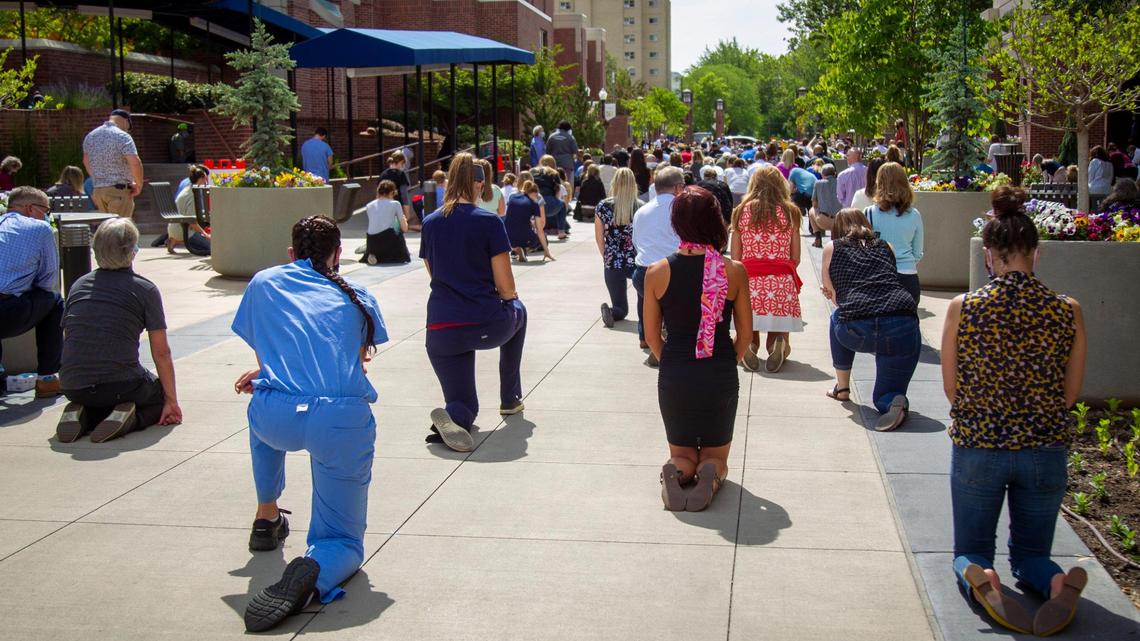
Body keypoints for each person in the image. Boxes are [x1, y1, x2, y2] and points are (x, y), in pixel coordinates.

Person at [940, 186, 1088, 637]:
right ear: (1035, 254)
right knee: (1031, 555)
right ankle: (1058, 582)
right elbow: (1071, 394)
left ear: (989, 255)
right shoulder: (1068, 311)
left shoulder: (964, 309)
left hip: (979, 444)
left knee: (971, 549)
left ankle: (982, 578)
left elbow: (951, 389)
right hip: (1044, 447)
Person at [232, 215, 387, 633]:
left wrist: (267, 377)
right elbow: (355, 366)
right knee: (342, 540)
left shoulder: (264, 282)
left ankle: (267, 515)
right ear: (337, 255)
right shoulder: (357, 296)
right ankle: (315, 568)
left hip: (275, 418)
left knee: (259, 399)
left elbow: (271, 351)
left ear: (291, 253)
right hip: (339, 422)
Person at [643, 186, 752, 512]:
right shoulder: (733, 271)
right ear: (715, 221)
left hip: (676, 371)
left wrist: (673, 361)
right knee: (716, 456)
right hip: (717, 370)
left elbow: (651, 336)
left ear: (676, 223)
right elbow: (745, 333)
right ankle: (710, 473)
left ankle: (677, 472)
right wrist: (725, 359)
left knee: (682, 452)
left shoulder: (657, 272)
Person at [419, 153, 527, 453]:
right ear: (479, 184)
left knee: (465, 402)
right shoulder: (489, 222)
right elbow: (506, 288)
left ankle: (455, 416)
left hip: (441, 328)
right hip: (484, 321)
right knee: (520, 311)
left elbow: (434, 272)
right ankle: (510, 397)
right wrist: (509, 299)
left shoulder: (430, 223)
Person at [57, 218, 182, 442]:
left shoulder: (78, 285)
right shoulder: (145, 289)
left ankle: (84, 413)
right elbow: (161, 352)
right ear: (133, 251)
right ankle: (130, 420)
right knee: (158, 398)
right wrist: (172, 401)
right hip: (122, 383)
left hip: (72, 384)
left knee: (102, 395)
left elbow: (70, 336)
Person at [820, 209, 920, 431]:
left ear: (837, 229)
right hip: (902, 320)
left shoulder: (832, 248)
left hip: (857, 326)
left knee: (837, 316)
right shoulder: (887, 246)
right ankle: (894, 400)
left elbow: (836, 298)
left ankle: (842, 388)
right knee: (885, 394)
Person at [731, 166, 804, 373]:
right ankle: (777, 345)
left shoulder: (741, 211)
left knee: (748, 328)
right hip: (780, 281)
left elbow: (736, 255)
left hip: (750, 280)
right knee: (779, 331)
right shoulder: (791, 212)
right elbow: (795, 257)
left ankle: (749, 346)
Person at [0, 187, 63, 398]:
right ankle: (47, 378)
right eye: (45, 210)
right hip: (8, 312)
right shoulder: (40, 229)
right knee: (54, 301)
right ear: (30, 208)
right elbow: (48, 281)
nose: (47, 216)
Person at [633, 167, 685, 366]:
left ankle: (647, 337)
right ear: (678, 187)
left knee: (647, 302)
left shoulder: (641, 211)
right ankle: (665, 341)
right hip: (673, 269)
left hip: (644, 271)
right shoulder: (681, 208)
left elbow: (636, 243)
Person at [864, 162, 924, 304]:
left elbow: (864, 248)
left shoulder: (869, 213)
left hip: (878, 276)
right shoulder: (914, 214)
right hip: (908, 276)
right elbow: (918, 252)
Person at [596, 168, 642, 328]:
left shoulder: (603, 206)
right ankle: (646, 322)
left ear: (615, 183)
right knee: (644, 300)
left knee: (621, 308)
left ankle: (611, 311)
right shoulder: (641, 207)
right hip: (637, 261)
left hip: (612, 261)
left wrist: (606, 257)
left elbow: (599, 238)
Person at [83, 109, 143, 218]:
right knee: (121, 230)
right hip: (118, 191)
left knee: (108, 230)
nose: (127, 130)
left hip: (98, 191)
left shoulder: (90, 136)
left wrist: (98, 179)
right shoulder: (123, 136)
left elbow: (86, 161)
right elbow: (135, 162)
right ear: (126, 121)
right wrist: (138, 185)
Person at [362, 180, 410, 265]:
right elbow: (404, 228)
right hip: (387, 239)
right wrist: (404, 221)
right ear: (391, 192)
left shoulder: (369, 205)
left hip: (372, 241)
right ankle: (393, 255)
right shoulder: (395, 203)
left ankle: (373, 254)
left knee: (388, 228)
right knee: (398, 231)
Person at [505, 180, 553, 262]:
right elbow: (539, 229)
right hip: (524, 235)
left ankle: (516, 248)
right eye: (537, 196)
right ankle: (525, 249)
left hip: (507, 237)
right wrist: (546, 250)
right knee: (540, 238)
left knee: (518, 230)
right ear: (534, 193)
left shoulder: (512, 198)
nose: (537, 198)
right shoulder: (534, 204)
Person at [170, 165, 212, 256]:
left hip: (174, 227)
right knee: (213, 248)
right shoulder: (193, 195)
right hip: (184, 231)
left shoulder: (188, 188)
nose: (206, 181)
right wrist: (205, 234)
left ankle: (174, 239)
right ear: (201, 178)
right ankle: (177, 239)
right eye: (205, 178)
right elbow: (191, 220)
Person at [810, 164, 842, 247]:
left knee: (811, 210)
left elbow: (814, 203)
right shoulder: (840, 182)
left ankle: (818, 238)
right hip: (840, 221)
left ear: (822, 174)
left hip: (824, 220)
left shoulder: (818, 183)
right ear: (834, 173)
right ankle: (835, 237)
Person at [533, 163, 567, 240]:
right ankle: (561, 231)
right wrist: (556, 200)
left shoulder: (534, 174)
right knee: (562, 205)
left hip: (537, 201)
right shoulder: (554, 173)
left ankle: (540, 231)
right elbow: (557, 189)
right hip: (550, 200)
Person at [378, 152, 415, 225]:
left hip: (383, 206)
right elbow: (404, 195)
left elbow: (378, 192)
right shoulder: (401, 174)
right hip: (397, 206)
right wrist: (407, 212)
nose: (403, 166)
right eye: (403, 164)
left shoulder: (383, 174)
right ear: (401, 162)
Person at [545, 120, 579, 187]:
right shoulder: (570, 137)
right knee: (566, 183)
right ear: (568, 128)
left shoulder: (551, 137)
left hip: (554, 163)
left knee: (554, 182)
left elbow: (547, 150)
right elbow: (575, 150)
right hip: (567, 164)